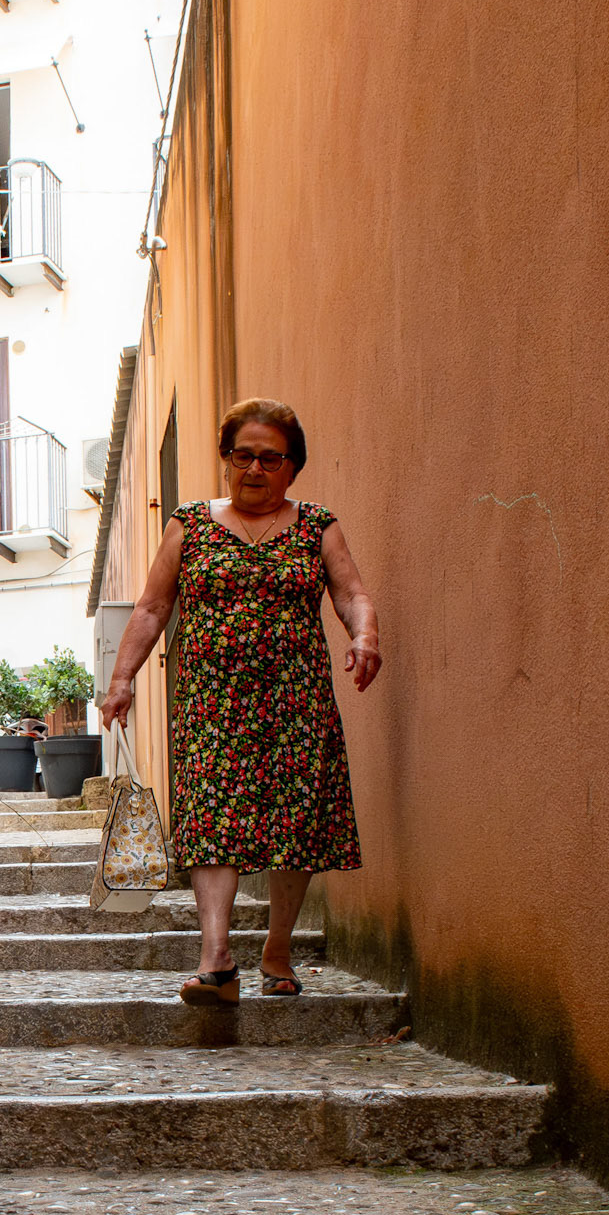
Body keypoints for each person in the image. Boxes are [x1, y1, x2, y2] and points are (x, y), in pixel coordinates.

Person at [97, 398, 381, 1002]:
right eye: (242, 455)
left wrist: (364, 635)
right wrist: (122, 679)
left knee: (294, 820)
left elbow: (352, 592)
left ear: (292, 466)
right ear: (226, 460)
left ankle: (277, 953)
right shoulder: (190, 524)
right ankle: (216, 957)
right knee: (210, 817)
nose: (254, 468)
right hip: (210, 699)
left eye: (269, 458)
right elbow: (152, 607)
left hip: (295, 699)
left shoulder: (316, 526)